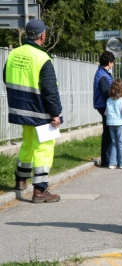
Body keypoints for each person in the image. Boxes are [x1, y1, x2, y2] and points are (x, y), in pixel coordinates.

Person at [3, 19, 63, 203]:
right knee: (44, 148)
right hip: (39, 111)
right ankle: (40, 190)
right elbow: (49, 90)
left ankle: (20, 179)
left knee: (28, 144)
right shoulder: (42, 58)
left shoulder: (14, 53)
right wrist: (56, 113)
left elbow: (6, 77)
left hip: (20, 109)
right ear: (43, 35)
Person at [105, 78, 122, 169]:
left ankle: (112, 163)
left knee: (114, 143)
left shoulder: (109, 100)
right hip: (120, 123)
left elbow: (106, 112)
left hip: (111, 123)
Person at [93, 51, 115, 167]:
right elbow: (106, 92)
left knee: (108, 131)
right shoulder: (103, 75)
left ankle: (107, 159)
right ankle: (106, 160)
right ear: (109, 62)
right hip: (104, 105)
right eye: (113, 62)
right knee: (108, 132)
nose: (113, 65)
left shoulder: (103, 73)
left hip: (103, 105)